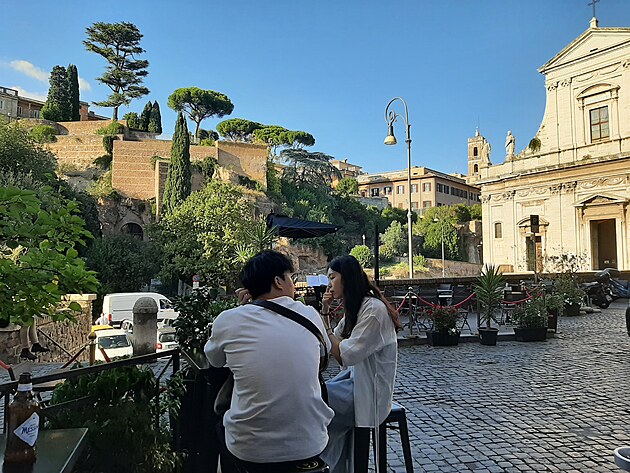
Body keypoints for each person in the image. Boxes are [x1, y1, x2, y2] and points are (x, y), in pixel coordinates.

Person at [204, 250, 334, 473]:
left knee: (219, 426)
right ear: (278, 282)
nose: (293, 284)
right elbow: (325, 353)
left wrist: (242, 309)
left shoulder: (229, 319)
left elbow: (215, 361)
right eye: (291, 277)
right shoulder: (310, 315)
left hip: (250, 450)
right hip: (310, 442)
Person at [319, 255, 402, 473]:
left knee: (313, 403)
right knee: (315, 398)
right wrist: (325, 312)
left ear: (346, 278)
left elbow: (344, 355)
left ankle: (319, 461)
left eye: (332, 277)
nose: (329, 284)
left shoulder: (373, 310)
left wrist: (326, 322)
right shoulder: (356, 307)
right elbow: (332, 342)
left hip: (370, 391)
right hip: (355, 383)